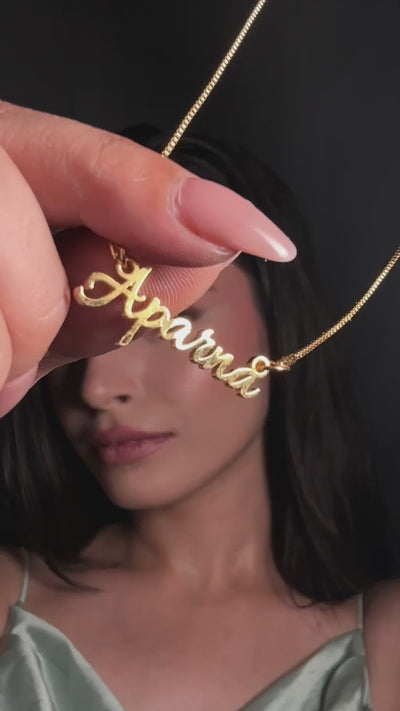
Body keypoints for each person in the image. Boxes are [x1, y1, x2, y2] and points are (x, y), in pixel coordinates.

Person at [0, 119, 398, 711]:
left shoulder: (384, 649)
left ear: (279, 322)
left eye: (168, 323)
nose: (98, 388)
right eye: (75, 329)